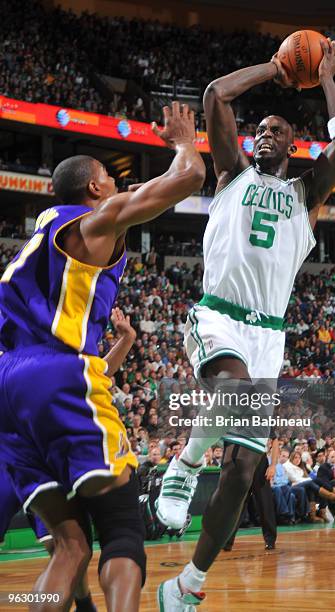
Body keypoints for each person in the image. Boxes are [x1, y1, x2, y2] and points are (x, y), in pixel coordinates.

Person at [157, 39, 335, 609]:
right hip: (219, 315)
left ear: (294, 146)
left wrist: (323, 78)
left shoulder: (307, 194)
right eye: (259, 130)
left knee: (245, 468)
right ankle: (187, 460)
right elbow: (216, 94)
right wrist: (276, 67)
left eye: (276, 131)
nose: (264, 134)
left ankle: (188, 586)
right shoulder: (231, 174)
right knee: (233, 388)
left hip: (269, 335)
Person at [0, 102, 205, 611]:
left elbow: (142, 193)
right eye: (110, 181)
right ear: (93, 189)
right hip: (58, 373)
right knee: (122, 525)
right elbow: (191, 177)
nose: (117, 187)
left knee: (69, 545)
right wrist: (183, 142)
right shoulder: (95, 223)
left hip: (8, 388)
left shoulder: (41, 235)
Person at [0, 307, 137, 612]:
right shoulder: (36, 342)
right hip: (22, 441)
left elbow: (93, 374)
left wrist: (125, 343)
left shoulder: (23, 345)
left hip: (17, 445)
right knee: (70, 547)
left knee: (62, 547)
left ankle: (85, 605)